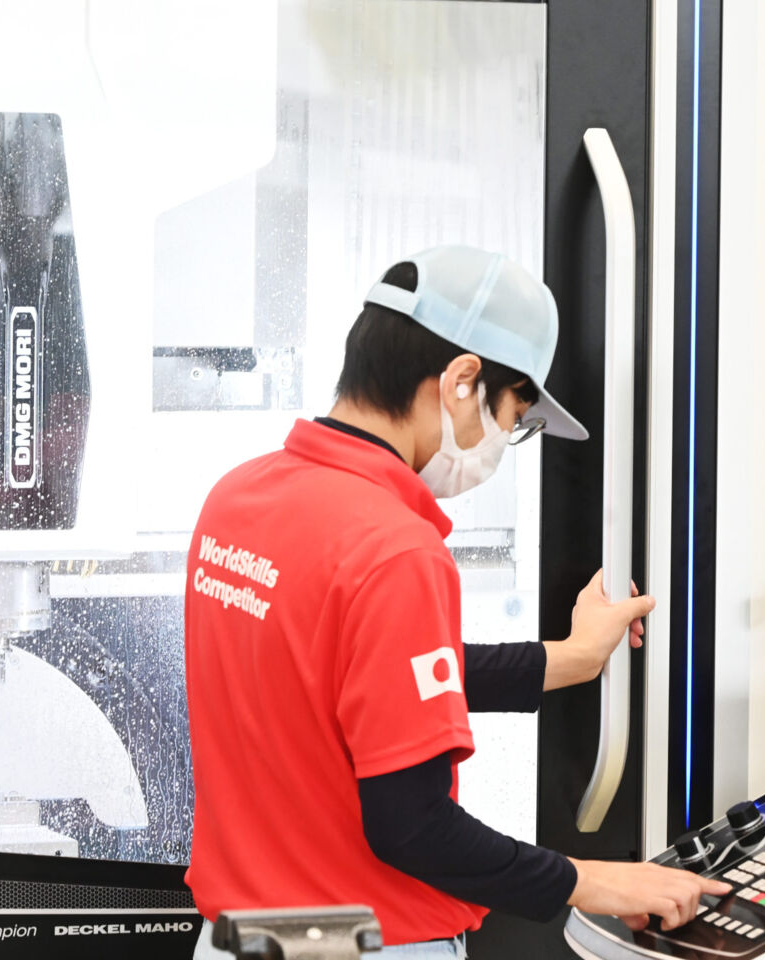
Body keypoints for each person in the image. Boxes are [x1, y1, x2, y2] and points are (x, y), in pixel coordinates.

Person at [184, 246, 728, 959]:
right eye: (513, 419)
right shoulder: (394, 549)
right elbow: (411, 827)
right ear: (463, 381)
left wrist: (570, 660)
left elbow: (357, 675)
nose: (498, 443)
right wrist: (589, 880)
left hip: (237, 940)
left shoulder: (240, 499)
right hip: (367, 943)